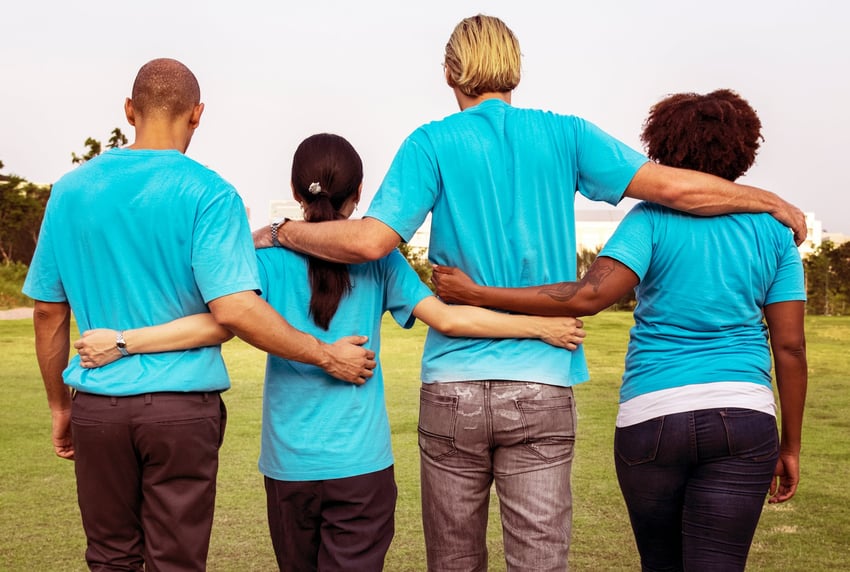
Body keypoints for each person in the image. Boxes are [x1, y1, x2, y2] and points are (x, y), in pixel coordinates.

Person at [256, 16, 807, 571]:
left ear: (450, 71)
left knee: (453, 562)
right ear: (515, 68)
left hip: (453, 386)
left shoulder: (430, 143)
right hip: (542, 380)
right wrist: (767, 200)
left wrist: (282, 231)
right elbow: (672, 186)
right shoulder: (566, 134)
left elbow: (371, 241)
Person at [73, 133, 587, 571]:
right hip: (361, 466)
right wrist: (538, 328)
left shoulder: (264, 261)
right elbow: (450, 318)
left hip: (288, 468)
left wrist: (123, 341)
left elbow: (220, 321)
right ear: (359, 193)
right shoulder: (381, 264)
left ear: (296, 191)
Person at [431, 89, 807, 571]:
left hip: (653, 417)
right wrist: (790, 445)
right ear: (745, 149)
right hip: (743, 415)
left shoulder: (649, 220)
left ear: (664, 147)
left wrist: (481, 294)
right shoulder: (774, 231)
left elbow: (589, 295)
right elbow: (790, 348)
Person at [22, 59, 375, 571]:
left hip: (97, 403)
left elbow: (48, 314)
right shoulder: (211, 193)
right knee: (177, 561)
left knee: (109, 557)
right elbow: (234, 309)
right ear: (198, 115)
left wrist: (60, 406)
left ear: (128, 109)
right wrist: (325, 355)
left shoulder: (70, 191)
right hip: (182, 409)